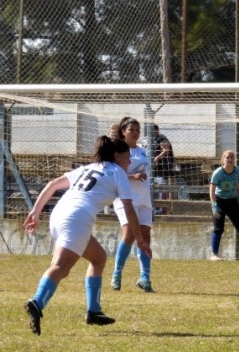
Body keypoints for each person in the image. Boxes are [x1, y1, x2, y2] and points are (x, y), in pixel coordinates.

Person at [22, 136, 151, 335]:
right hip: (77, 218)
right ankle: (37, 302)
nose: (129, 163)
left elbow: (53, 184)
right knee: (61, 267)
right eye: (127, 159)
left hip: (59, 214)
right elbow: (129, 209)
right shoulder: (118, 172)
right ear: (117, 157)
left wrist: (35, 212)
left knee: (98, 258)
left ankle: (94, 312)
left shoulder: (90, 168)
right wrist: (140, 240)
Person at [109, 117, 156, 293]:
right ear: (123, 131)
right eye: (131, 130)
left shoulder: (142, 150)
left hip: (144, 199)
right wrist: (133, 176)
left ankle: (144, 277)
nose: (135, 133)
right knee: (129, 234)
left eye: (137, 130)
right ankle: (117, 274)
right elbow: (114, 173)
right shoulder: (118, 151)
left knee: (145, 236)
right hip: (125, 199)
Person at [151, 124, 177, 202]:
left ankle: (167, 204)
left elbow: (166, 150)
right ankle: (166, 203)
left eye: (153, 131)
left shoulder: (161, 138)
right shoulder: (154, 140)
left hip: (165, 167)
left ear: (157, 131)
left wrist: (157, 158)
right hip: (160, 168)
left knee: (164, 187)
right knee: (162, 187)